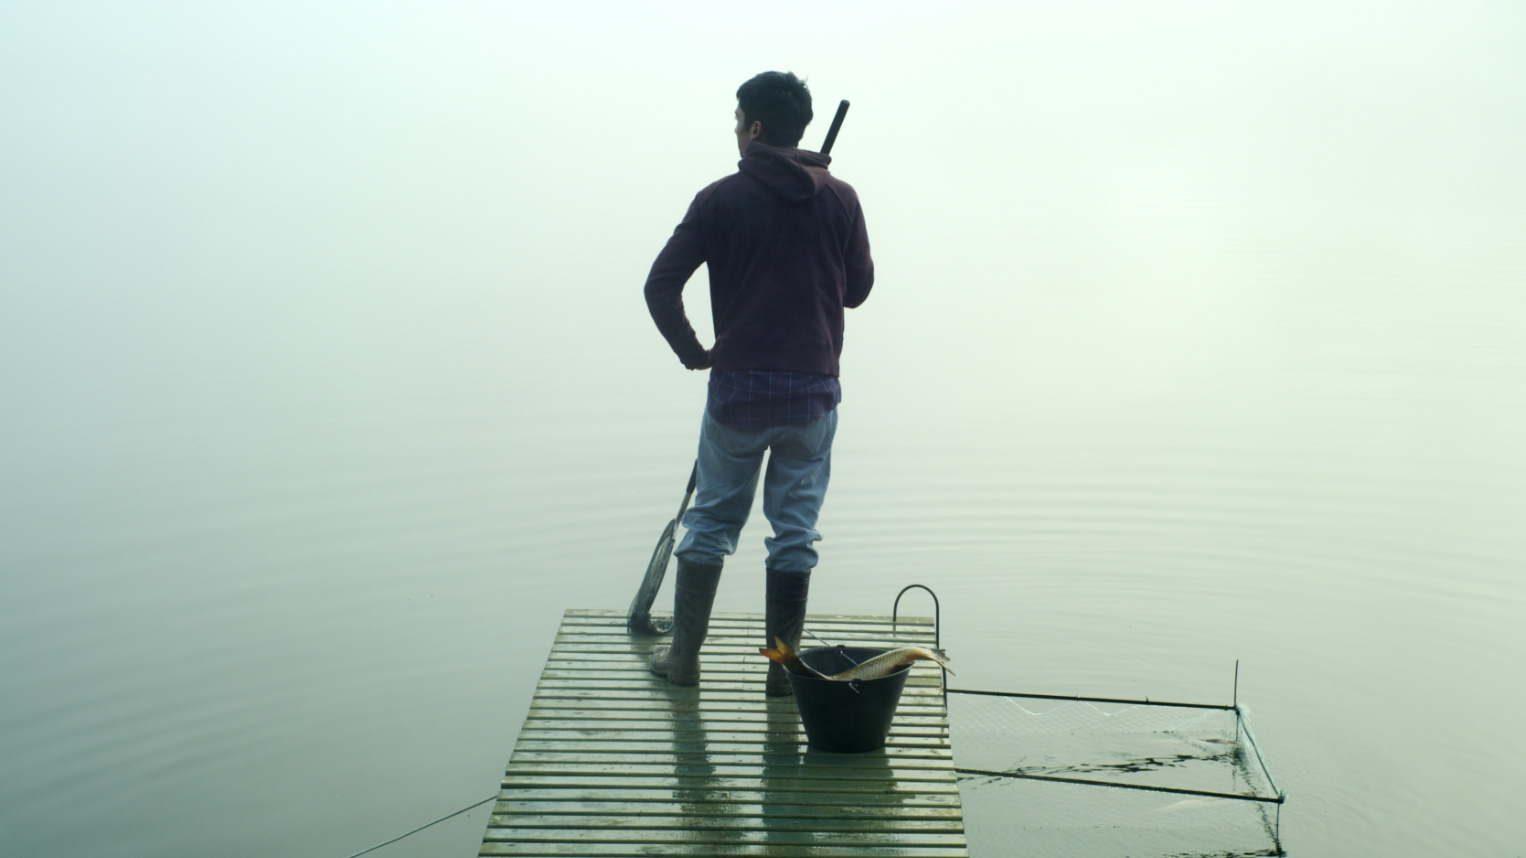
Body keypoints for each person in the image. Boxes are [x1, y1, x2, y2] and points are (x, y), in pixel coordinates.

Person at [643, 71, 874, 696]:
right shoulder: (841, 197)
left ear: (755, 128)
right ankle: (782, 673)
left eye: (735, 118)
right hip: (813, 396)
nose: (734, 129)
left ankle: (684, 662)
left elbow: (659, 286)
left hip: (738, 394)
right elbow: (856, 291)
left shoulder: (719, 198)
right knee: (794, 532)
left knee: (713, 521)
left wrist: (696, 354)